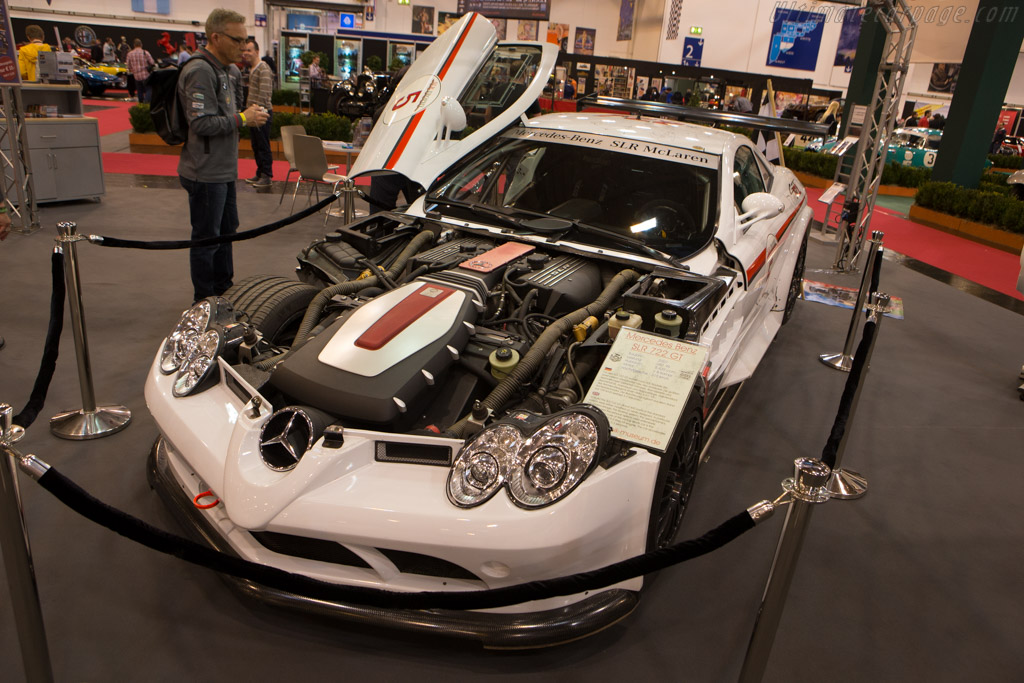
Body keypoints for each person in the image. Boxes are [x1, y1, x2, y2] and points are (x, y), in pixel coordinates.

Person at [178, 9, 268, 303]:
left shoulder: (229, 71)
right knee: (207, 238)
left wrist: (243, 117)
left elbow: (231, 113)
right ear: (215, 37)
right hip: (205, 172)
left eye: (245, 41)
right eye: (237, 40)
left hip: (225, 170)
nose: (243, 47)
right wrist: (243, 119)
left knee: (227, 232)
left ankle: (224, 291)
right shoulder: (200, 70)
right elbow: (201, 123)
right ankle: (203, 301)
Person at [242, 39, 273, 189]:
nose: (245, 53)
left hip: (261, 114)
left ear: (257, 51)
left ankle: (267, 175)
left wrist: (258, 112)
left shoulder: (263, 68)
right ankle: (260, 173)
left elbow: (265, 93)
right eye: (244, 50)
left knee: (263, 145)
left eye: (249, 50)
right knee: (256, 145)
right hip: (253, 115)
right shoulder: (252, 69)